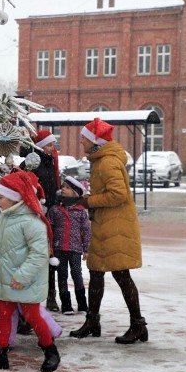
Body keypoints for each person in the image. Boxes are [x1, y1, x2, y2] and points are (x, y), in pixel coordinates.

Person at [0, 171, 60, 372]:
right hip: (8, 278)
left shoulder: (31, 222)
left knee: (32, 316)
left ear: (15, 198)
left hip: (25, 280)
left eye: (1, 197)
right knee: (3, 313)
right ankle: (0, 354)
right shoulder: (6, 217)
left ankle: (50, 350)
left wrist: (22, 276)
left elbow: (39, 254)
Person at [70, 118, 148, 344]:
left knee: (121, 275)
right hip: (106, 226)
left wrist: (88, 201)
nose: (81, 141)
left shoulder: (107, 163)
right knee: (96, 273)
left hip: (116, 228)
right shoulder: (101, 160)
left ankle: (138, 324)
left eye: (84, 138)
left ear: (95, 142)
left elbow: (118, 194)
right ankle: (93, 321)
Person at [22, 129, 61, 312]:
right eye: (49, 144)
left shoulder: (50, 161)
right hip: (37, 213)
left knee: (51, 255)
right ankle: (33, 295)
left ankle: (51, 294)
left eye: (53, 144)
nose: (53, 148)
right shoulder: (32, 162)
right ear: (40, 146)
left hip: (50, 212)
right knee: (37, 254)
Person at [47, 176, 91, 314]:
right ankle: (66, 305)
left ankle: (82, 304)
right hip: (59, 249)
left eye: (67, 188)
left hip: (75, 249)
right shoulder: (55, 210)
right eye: (63, 187)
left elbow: (86, 231)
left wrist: (87, 249)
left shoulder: (81, 212)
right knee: (62, 276)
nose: (63, 189)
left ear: (75, 193)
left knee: (77, 274)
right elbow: (49, 229)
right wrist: (49, 246)